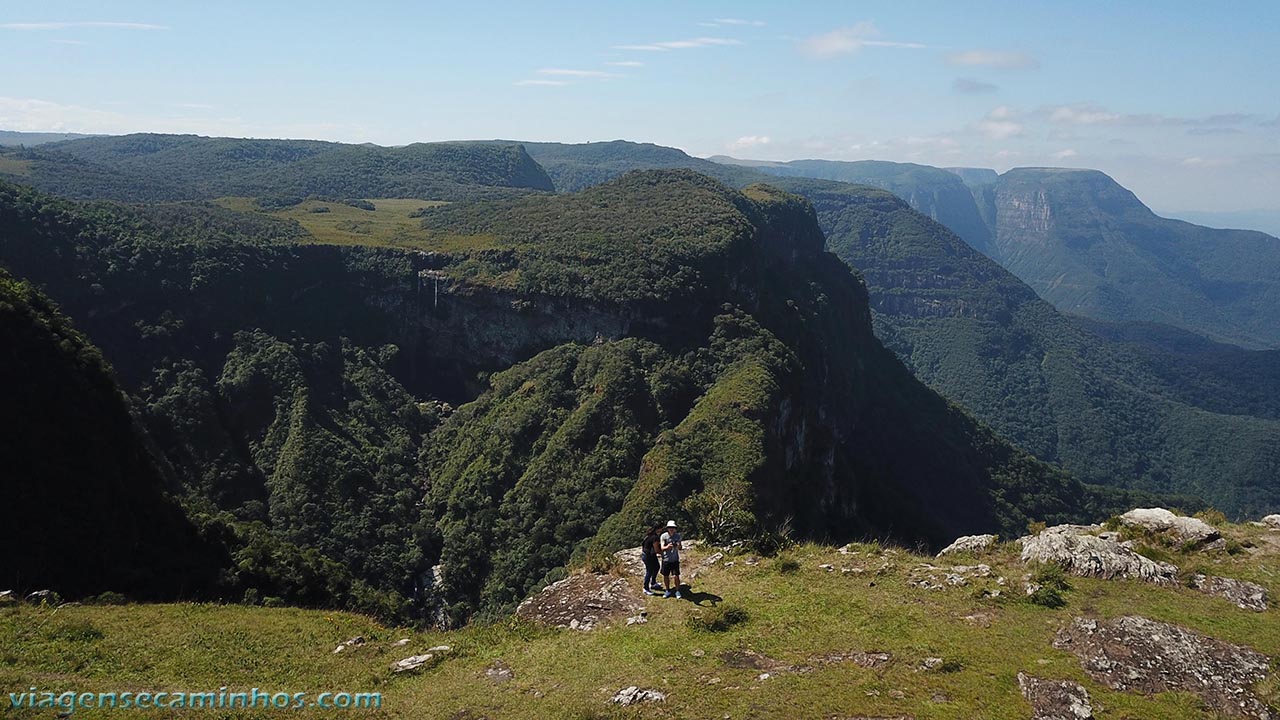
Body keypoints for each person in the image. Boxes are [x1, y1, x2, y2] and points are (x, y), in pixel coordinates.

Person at [660, 520, 683, 599]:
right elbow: (662, 547)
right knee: (666, 575)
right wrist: (667, 547)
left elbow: (680, 548)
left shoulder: (677, 536)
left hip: (675, 559)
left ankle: (677, 590)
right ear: (667, 528)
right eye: (670, 528)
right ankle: (667, 590)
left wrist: (678, 545)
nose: (671, 529)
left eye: (673, 528)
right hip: (666, 559)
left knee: (676, 576)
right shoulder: (663, 536)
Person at [640, 524, 662, 596]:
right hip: (648, 556)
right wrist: (664, 554)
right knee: (649, 571)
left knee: (656, 567)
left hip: (648, 554)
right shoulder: (655, 537)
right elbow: (656, 550)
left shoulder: (649, 535)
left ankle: (653, 583)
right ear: (658, 529)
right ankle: (645, 588)